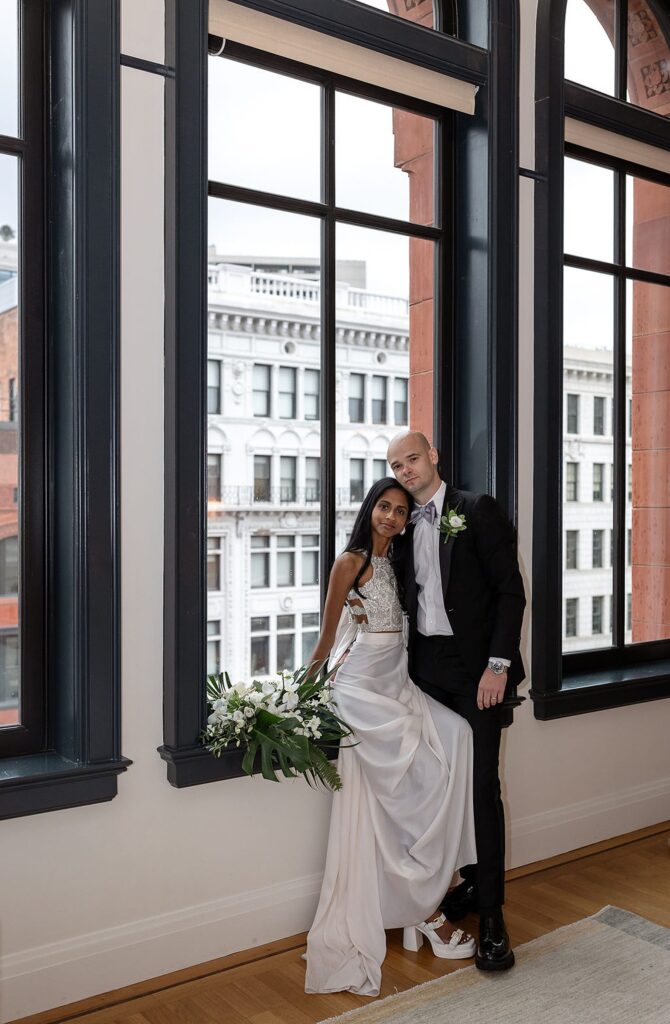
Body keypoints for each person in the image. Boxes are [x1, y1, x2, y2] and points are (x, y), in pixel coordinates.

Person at [304, 478, 477, 997]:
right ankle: (427, 907)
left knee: (459, 735)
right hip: (361, 693)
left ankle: (422, 901)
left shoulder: (395, 564)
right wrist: (304, 694)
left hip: (397, 686)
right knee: (414, 791)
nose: (392, 518)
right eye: (385, 507)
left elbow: (385, 626)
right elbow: (329, 634)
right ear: (370, 509)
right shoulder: (349, 561)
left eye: (401, 512)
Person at [387, 430, 526, 972]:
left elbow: (510, 591)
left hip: (477, 672)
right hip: (424, 672)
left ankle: (491, 915)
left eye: (413, 459)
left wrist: (498, 666)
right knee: (434, 788)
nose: (406, 470)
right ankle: (456, 888)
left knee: (481, 786)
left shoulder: (476, 509)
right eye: (397, 465)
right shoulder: (399, 524)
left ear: (434, 457)